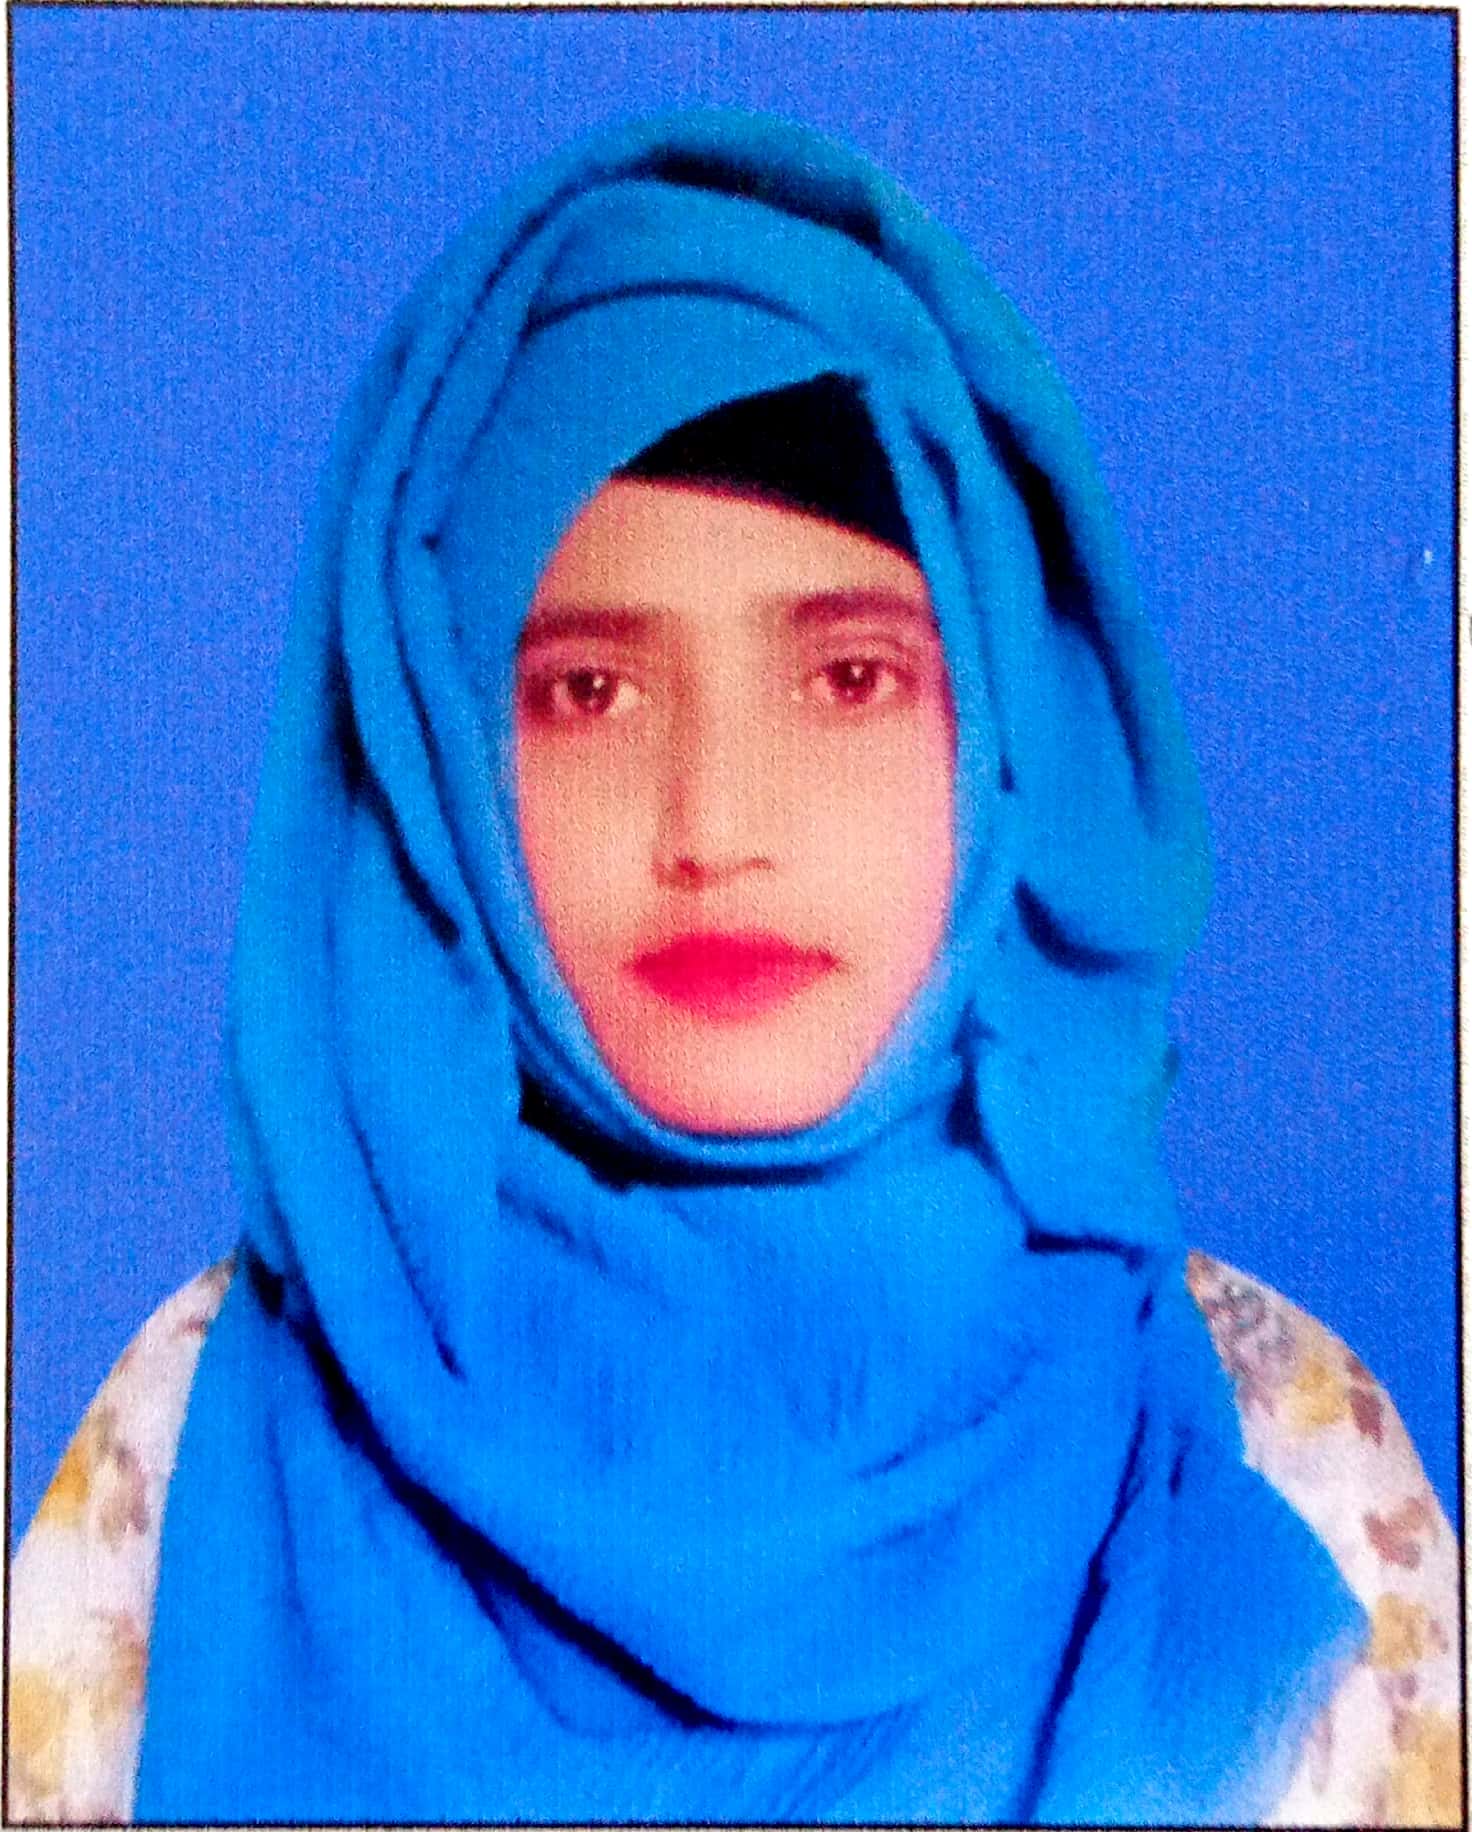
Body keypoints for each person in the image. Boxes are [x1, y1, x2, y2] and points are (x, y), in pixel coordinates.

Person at [8, 110, 1459, 1826]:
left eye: (849, 679)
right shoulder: (183, 1452)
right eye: (590, 692)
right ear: (439, 779)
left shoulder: (1279, 1448)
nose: (716, 823)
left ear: (1008, 751)